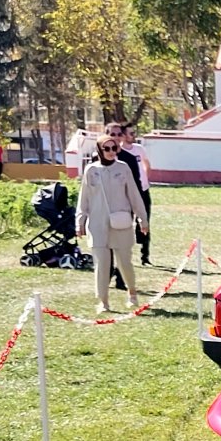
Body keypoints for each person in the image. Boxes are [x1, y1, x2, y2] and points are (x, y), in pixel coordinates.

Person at [77, 132, 148, 314]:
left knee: (124, 262)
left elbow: (134, 194)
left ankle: (132, 293)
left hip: (120, 222)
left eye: (114, 148)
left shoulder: (123, 168)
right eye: (106, 148)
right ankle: (103, 302)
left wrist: (142, 218)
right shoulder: (91, 170)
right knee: (102, 264)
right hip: (97, 223)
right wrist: (80, 221)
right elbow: (83, 198)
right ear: (100, 150)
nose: (111, 152)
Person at [123, 125, 152, 264]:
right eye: (131, 133)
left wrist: (145, 180)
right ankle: (125, 254)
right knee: (126, 222)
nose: (134, 135)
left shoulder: (139, 149)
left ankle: (145, 255)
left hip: (143, 190)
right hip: (127, 191)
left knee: (145, 221)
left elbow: (147, 164)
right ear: (123, 135)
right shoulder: (119, 152)